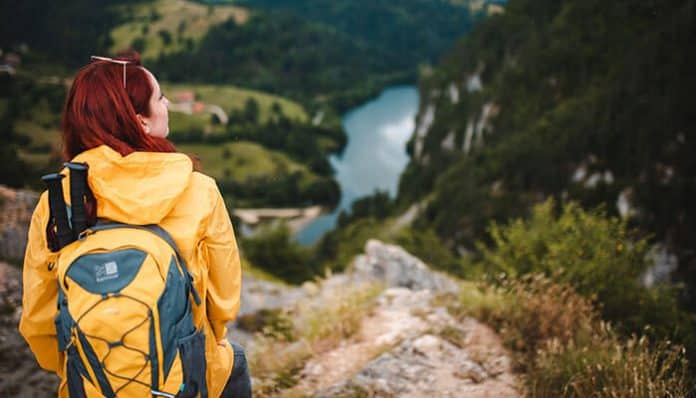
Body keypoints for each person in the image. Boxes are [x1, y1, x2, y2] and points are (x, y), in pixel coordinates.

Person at [19, 51, 251, 397]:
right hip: (185, 380)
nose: (168, 102)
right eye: (160, 97)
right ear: (140, 121)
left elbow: (39, 322)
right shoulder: (198, 190)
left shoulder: (57, 202)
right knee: (234, 360)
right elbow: (223, 305)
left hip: (90, 387)